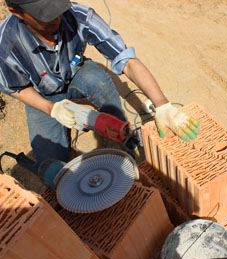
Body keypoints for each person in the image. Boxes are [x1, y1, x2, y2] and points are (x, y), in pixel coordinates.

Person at [0, 0, 199, 163]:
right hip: (41, 93)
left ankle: (124, 135)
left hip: (77, 72)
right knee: (51, 162)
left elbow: (126, 61)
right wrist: (51, 108)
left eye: (58, 8)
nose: (56, 18)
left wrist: (162, 105)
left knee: (101, 84)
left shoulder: (80, 16)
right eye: (45, 15)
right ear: (16, 12)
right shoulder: (5, 44)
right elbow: (15, 87)